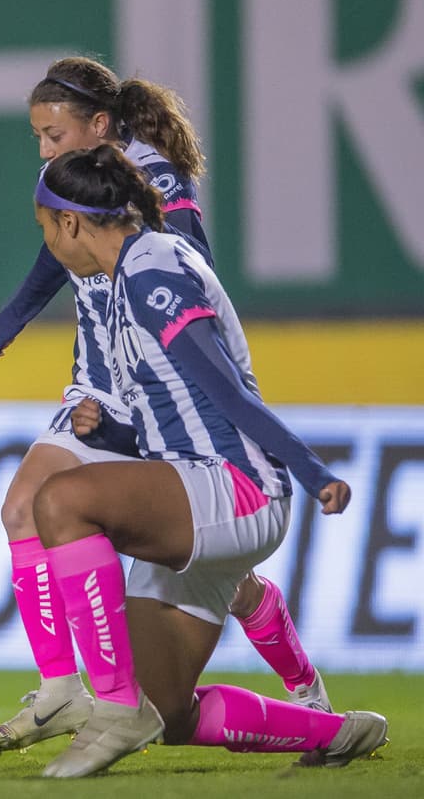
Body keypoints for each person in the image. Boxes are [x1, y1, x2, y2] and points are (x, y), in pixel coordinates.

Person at [0, 57, 328, 755]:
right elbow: (62, 248)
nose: (44, 150)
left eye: (53, 133)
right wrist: (14, 316)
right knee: (24, 506)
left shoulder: (155, 177)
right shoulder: (75, 177)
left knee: (212, 572)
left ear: (99, 126)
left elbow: (181, 260)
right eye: (39, 137)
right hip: (97, 383)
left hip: (153, 389)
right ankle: (60, 690)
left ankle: (304, 686)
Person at [26, 144, 387, 777]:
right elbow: (177, 416)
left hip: (235, 486)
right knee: (169, 712)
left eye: (44, 228)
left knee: (59, 499)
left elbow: (225, 390)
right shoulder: (131, 274)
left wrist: (310, 468)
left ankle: (110, 705)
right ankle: (335, 733)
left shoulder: (150, 272)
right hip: (203, 496)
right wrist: (111, 429)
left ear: (71, 224)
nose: (47, 244)